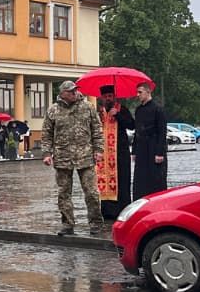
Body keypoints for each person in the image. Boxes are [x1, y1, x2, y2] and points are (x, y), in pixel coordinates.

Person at [41, 81, 103, 235]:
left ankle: (96, 223)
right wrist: (47, 154)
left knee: (91, 192)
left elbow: (97, 129)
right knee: (64, 193)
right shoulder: (53, 110)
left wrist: (99, 149)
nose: (74, 93)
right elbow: (46, 133)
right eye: (70, 91)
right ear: (62, 93)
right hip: (63, 157)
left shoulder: (87, 107)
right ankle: (67, 224)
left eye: (75, 90)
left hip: (85, 156)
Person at [97, 85, 135, 220]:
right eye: (106, 97)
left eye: (110, 96)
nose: (108, 99)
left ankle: (123, 211)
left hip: (120, 154)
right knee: (104, 181)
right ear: (102, 98)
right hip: (104, 155)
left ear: (114, 97)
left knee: (122, 182)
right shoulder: (99, 112)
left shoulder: (121, 109)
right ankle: (107, 212)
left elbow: (132, 125)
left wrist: (117, 115)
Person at [133, 82, 168, 199]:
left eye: (140, 92)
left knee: (155, 180)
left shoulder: (158, 109)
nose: (138, 95)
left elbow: (162, 132)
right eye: (137, 92)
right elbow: (136, 131)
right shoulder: (138, 110)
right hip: (141, 148)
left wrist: (160, 153)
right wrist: (134, 151)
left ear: (148, 92)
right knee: (140, 180)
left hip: (154, 148)